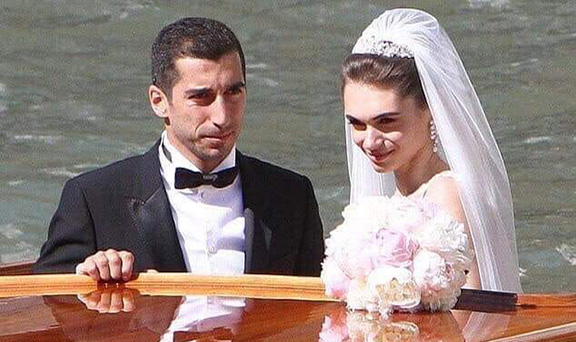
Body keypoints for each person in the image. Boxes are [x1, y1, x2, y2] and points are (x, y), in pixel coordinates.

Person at [33, 17, 324, 281]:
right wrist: (86, 275)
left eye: (233, 92)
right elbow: (47, 298)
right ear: (159, 101)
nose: (222, 116)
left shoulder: (293, 195)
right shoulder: (93, 198)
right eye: (201, 97)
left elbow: (316, 313)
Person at [340, 9, 521, 292]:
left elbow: (474, 316)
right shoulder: (395, 198)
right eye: (357, 124)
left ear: (430, 111)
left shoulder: (448, 196)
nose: (370, 141)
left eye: (386, 121)